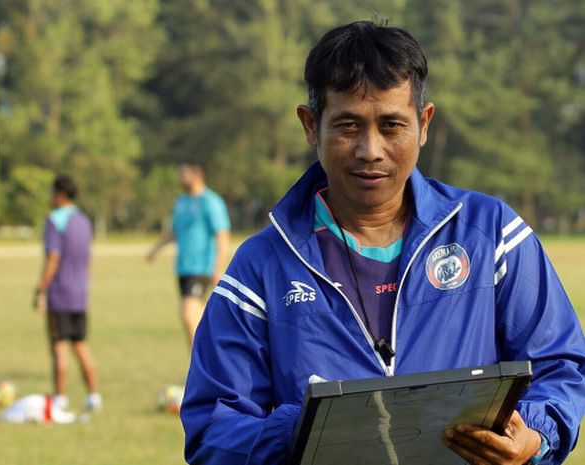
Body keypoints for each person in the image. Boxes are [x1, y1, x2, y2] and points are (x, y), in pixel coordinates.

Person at [181, 20, 585, 465]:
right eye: (349, 126)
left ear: (424, 123)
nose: (370, 150)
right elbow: (212, 431)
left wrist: (535, 434)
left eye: (392, 125)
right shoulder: (262, 266)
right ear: (310, 125)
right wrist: (306, 431)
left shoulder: (491, 236)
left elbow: (561, 366)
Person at [33, 175, 101, 413]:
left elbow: (53, 257)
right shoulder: (84, 221)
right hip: (80, 293)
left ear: (61, 194)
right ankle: (94, 395)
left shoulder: (55, 221)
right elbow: (87, 259)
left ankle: (60, 398)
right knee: (81, 345)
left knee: (59, 346)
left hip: (60, 293)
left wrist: (41, 289)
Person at [146, 162, 230, 347]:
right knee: (197, 318)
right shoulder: (181, 201)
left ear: (196, 174)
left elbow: (222, 235)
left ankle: (198, 365)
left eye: (183, 173)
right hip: (183, 268)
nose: (180, 177)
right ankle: (204, 362)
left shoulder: (210, 201)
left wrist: (218, 267)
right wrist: (155, 250)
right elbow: (173, 232)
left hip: (202, 268)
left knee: (187, 312)